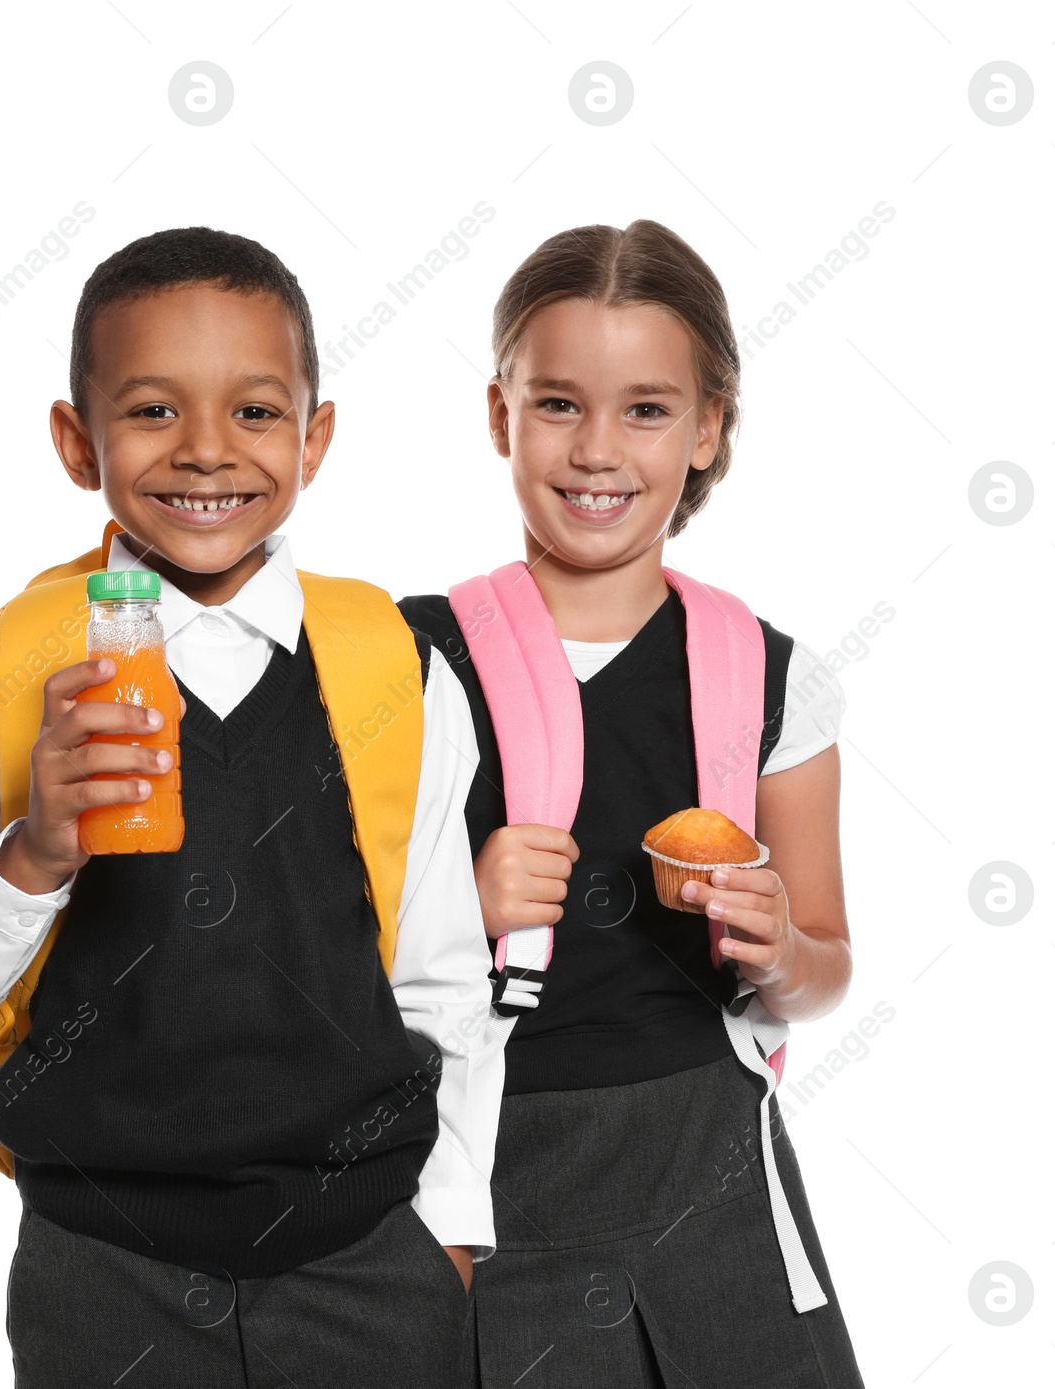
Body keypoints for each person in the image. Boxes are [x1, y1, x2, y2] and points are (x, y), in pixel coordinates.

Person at [0, 226, 501, 1388]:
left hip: (367, 1257)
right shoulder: (11, 676)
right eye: (153, 411)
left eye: (256, 413)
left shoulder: (394, 670)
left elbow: (446, 978)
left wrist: (451, 1229)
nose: (207, 452)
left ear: (315, 437)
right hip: (103, 1270)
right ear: (76, 439)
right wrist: (37, 852)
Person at [400, 220, 865, 1387]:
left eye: (647, 409)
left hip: (711, 1172)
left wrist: (775, 948)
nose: (597, 448)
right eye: (557, 404)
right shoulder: (401, 664)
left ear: (709, 428)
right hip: (489, 1169)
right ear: (500, 415)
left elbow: (827, 967)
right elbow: (306, 952)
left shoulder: (771, 674)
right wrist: (459, 907)